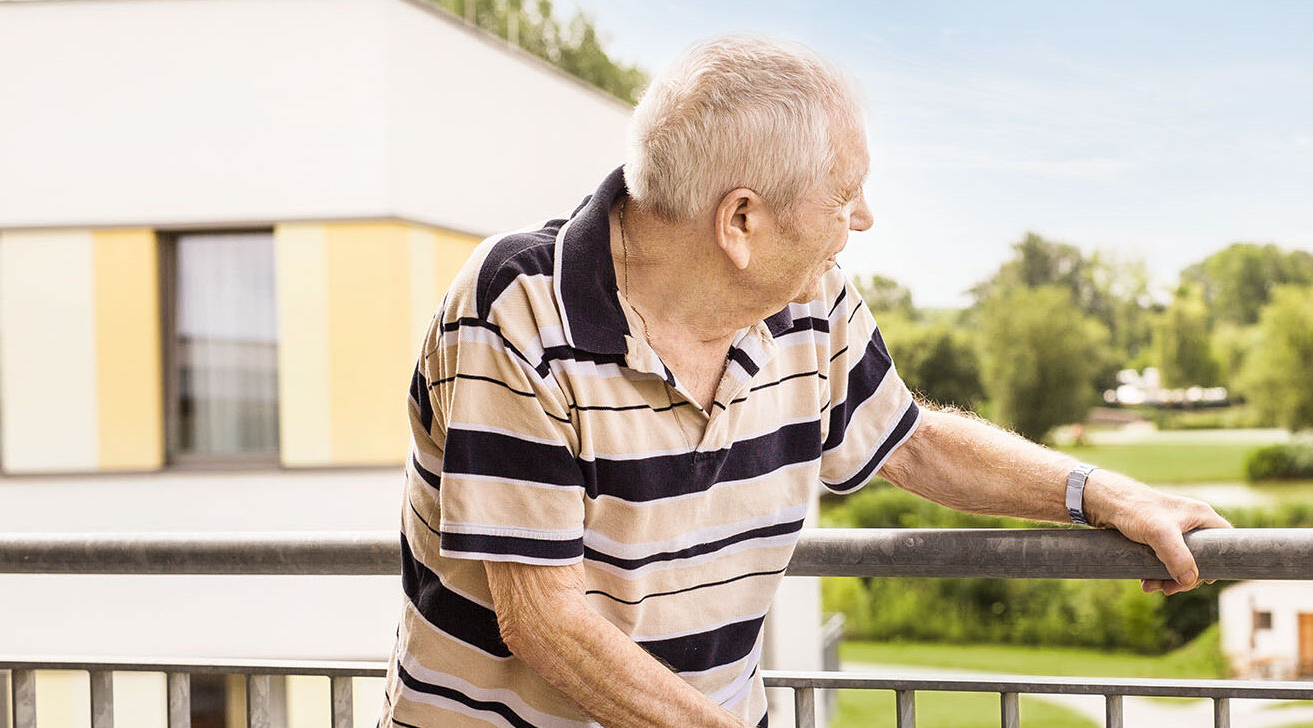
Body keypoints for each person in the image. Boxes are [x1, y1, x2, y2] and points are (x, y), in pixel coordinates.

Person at [381, 35, 1230, 728]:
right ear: (741, 220)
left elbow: (916, 445)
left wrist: (1103, 493)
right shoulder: (516, 310)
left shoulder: (808, 301)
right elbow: (545, 621)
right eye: (844, 196)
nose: (864, 220)